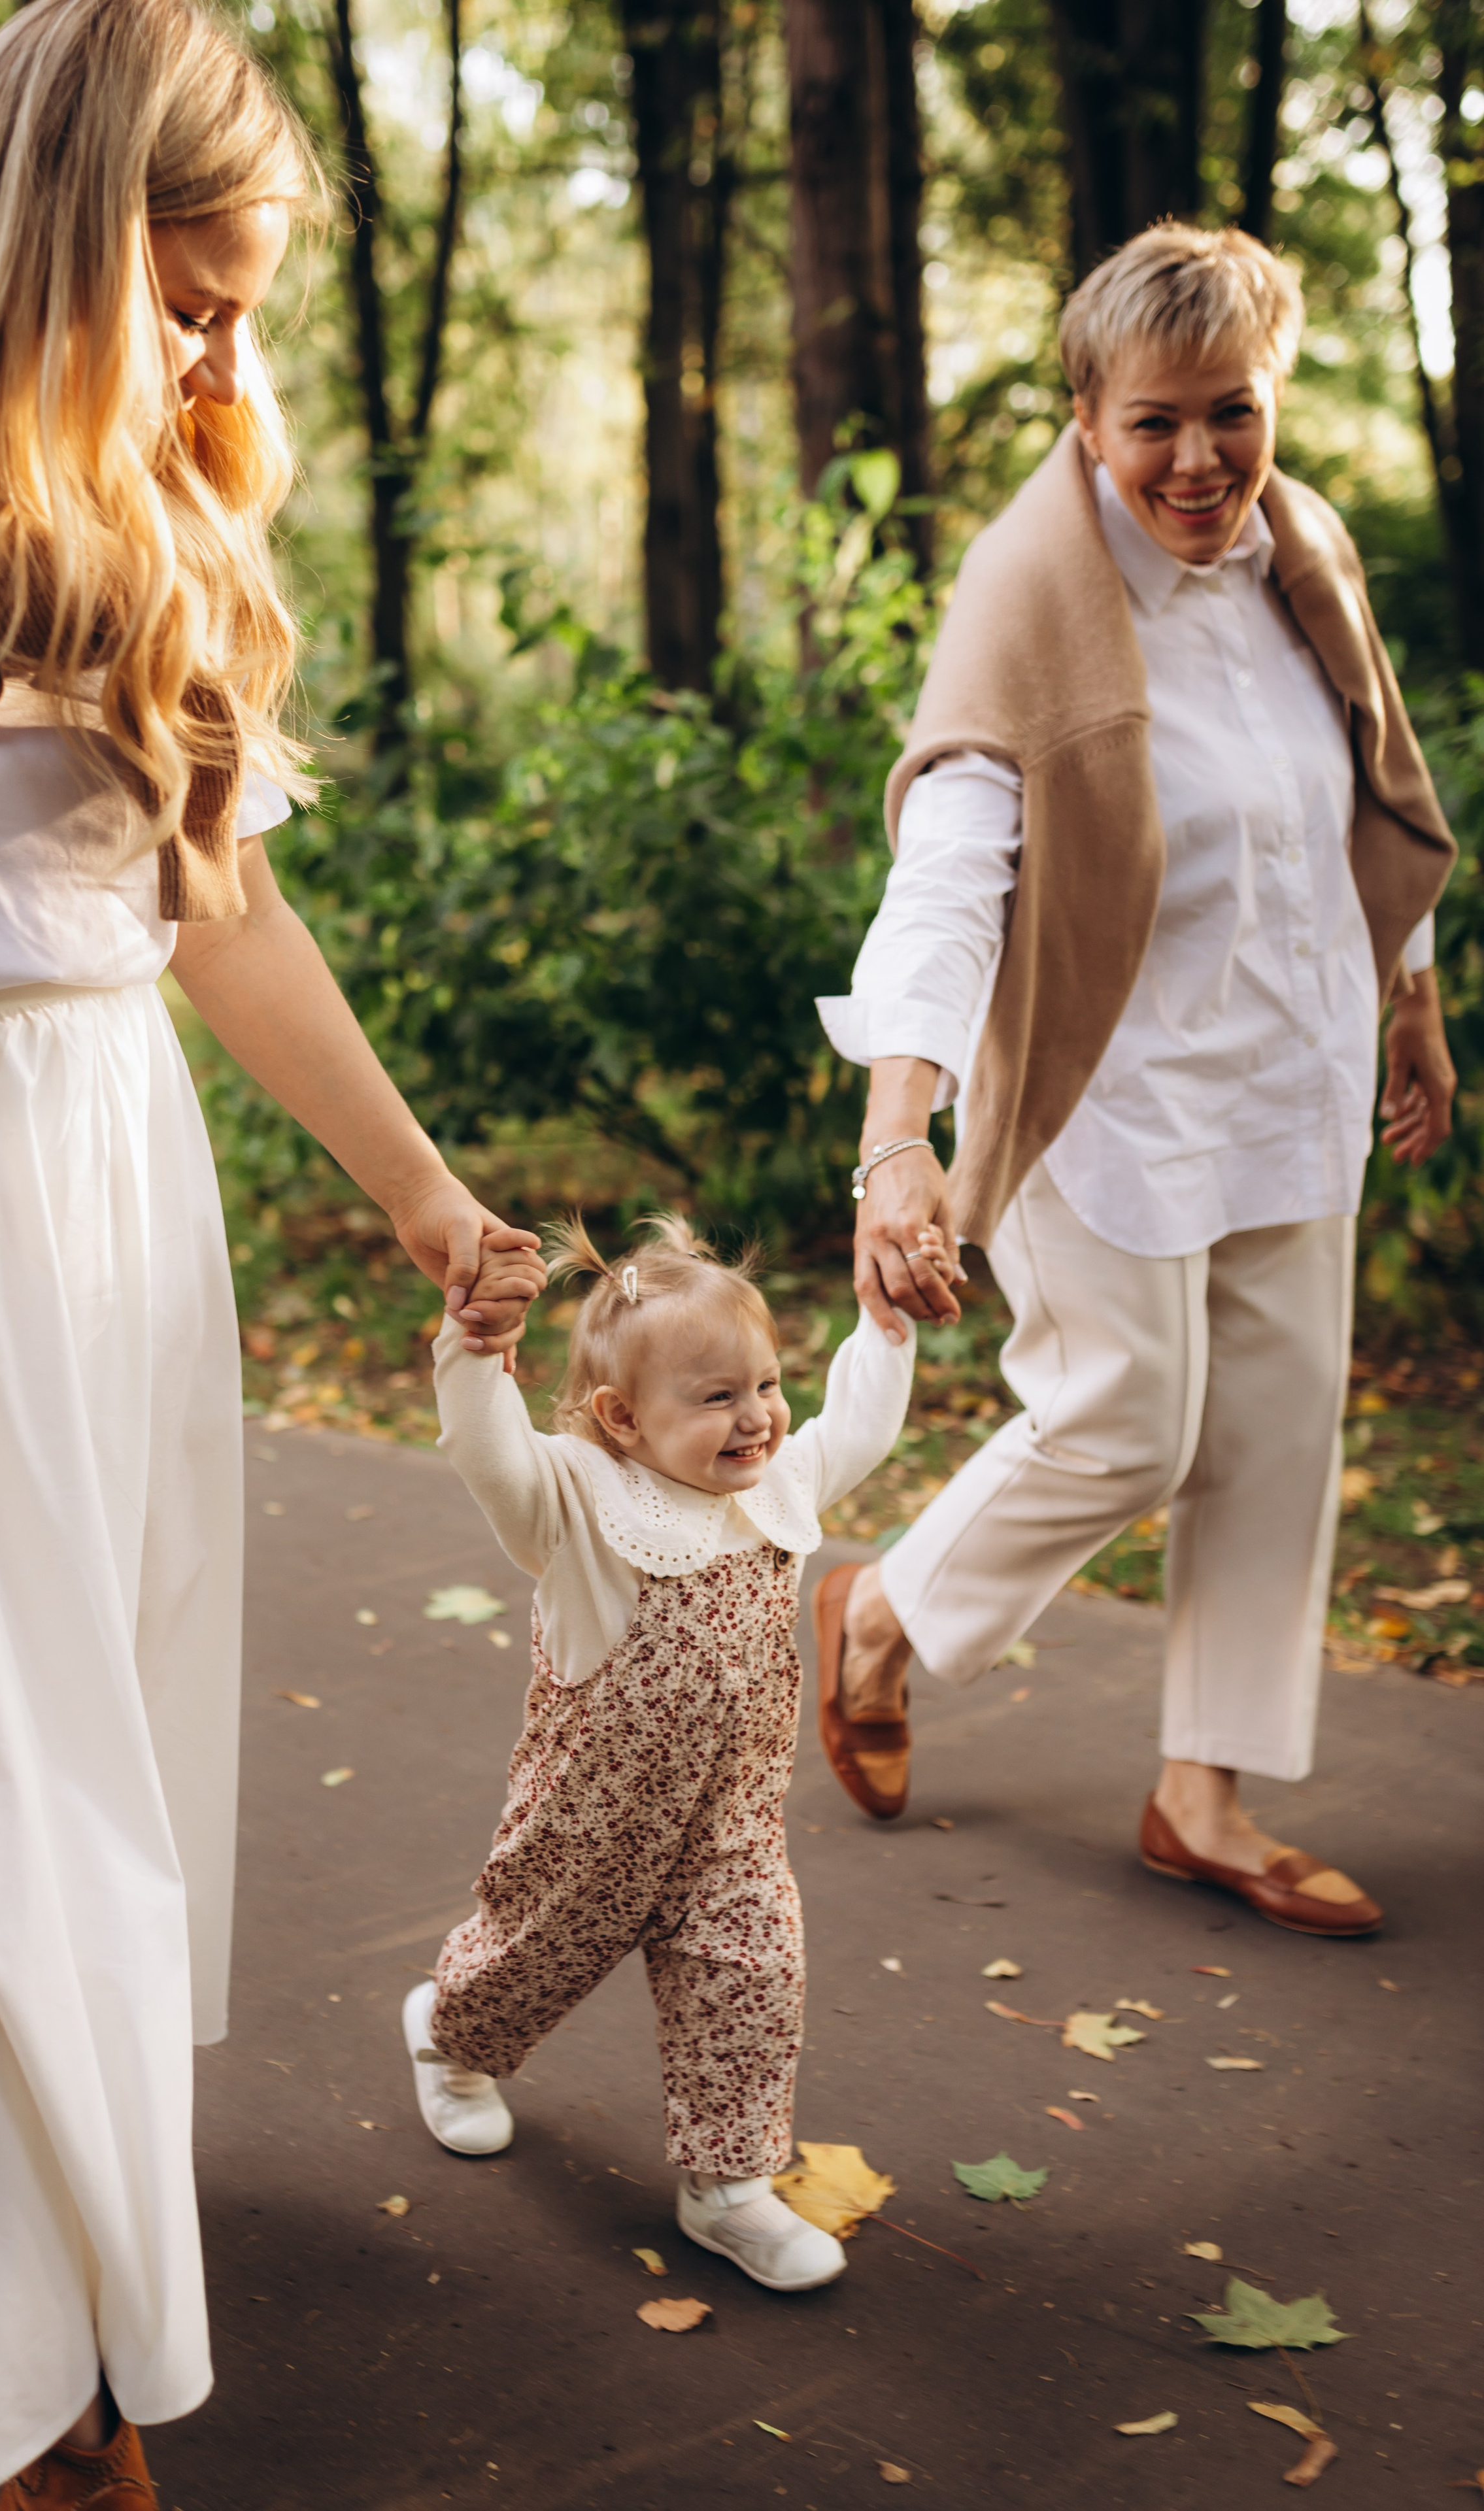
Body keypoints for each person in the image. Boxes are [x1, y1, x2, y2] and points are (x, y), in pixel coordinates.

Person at [0, 6, 537, 2504]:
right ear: (43, 233)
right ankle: (25, 2403)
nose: (226, 363)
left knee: (54, 1784)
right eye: (192, 299)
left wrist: (425, 1189)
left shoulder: (155, 500)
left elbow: (205, 910)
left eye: (250, 313)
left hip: (98, 1206)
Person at [813, 224, 1456, 1937]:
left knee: (1268, 1430)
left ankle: (1205, 1795)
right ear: (1088, 416)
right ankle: (881, 1616)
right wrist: (902, 1133)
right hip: (1112, 1082)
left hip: (1287, 1058)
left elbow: (1363, 793)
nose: (1199, 461)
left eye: (1232, 413)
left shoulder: (1300, 544)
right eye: (1156, 422)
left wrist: (1413, 1000)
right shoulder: (1035, 596)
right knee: (1126, 1418)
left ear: (1275, 400)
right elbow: (951, 871)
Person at [406, 1215, 930, 2290]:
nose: (759, 1418)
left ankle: (729, 2189)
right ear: (620, 1417)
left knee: (753, 1974)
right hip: (588, 1827)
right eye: (717, 1396)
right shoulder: (578, 1505)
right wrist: (473, 1349)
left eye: (767, 1384)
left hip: (731, 1826)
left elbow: (860, 1429)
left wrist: (884, 1329)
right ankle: (450, 2038)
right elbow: (484, 1446)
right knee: (525, 1962)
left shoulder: (776, 1485)